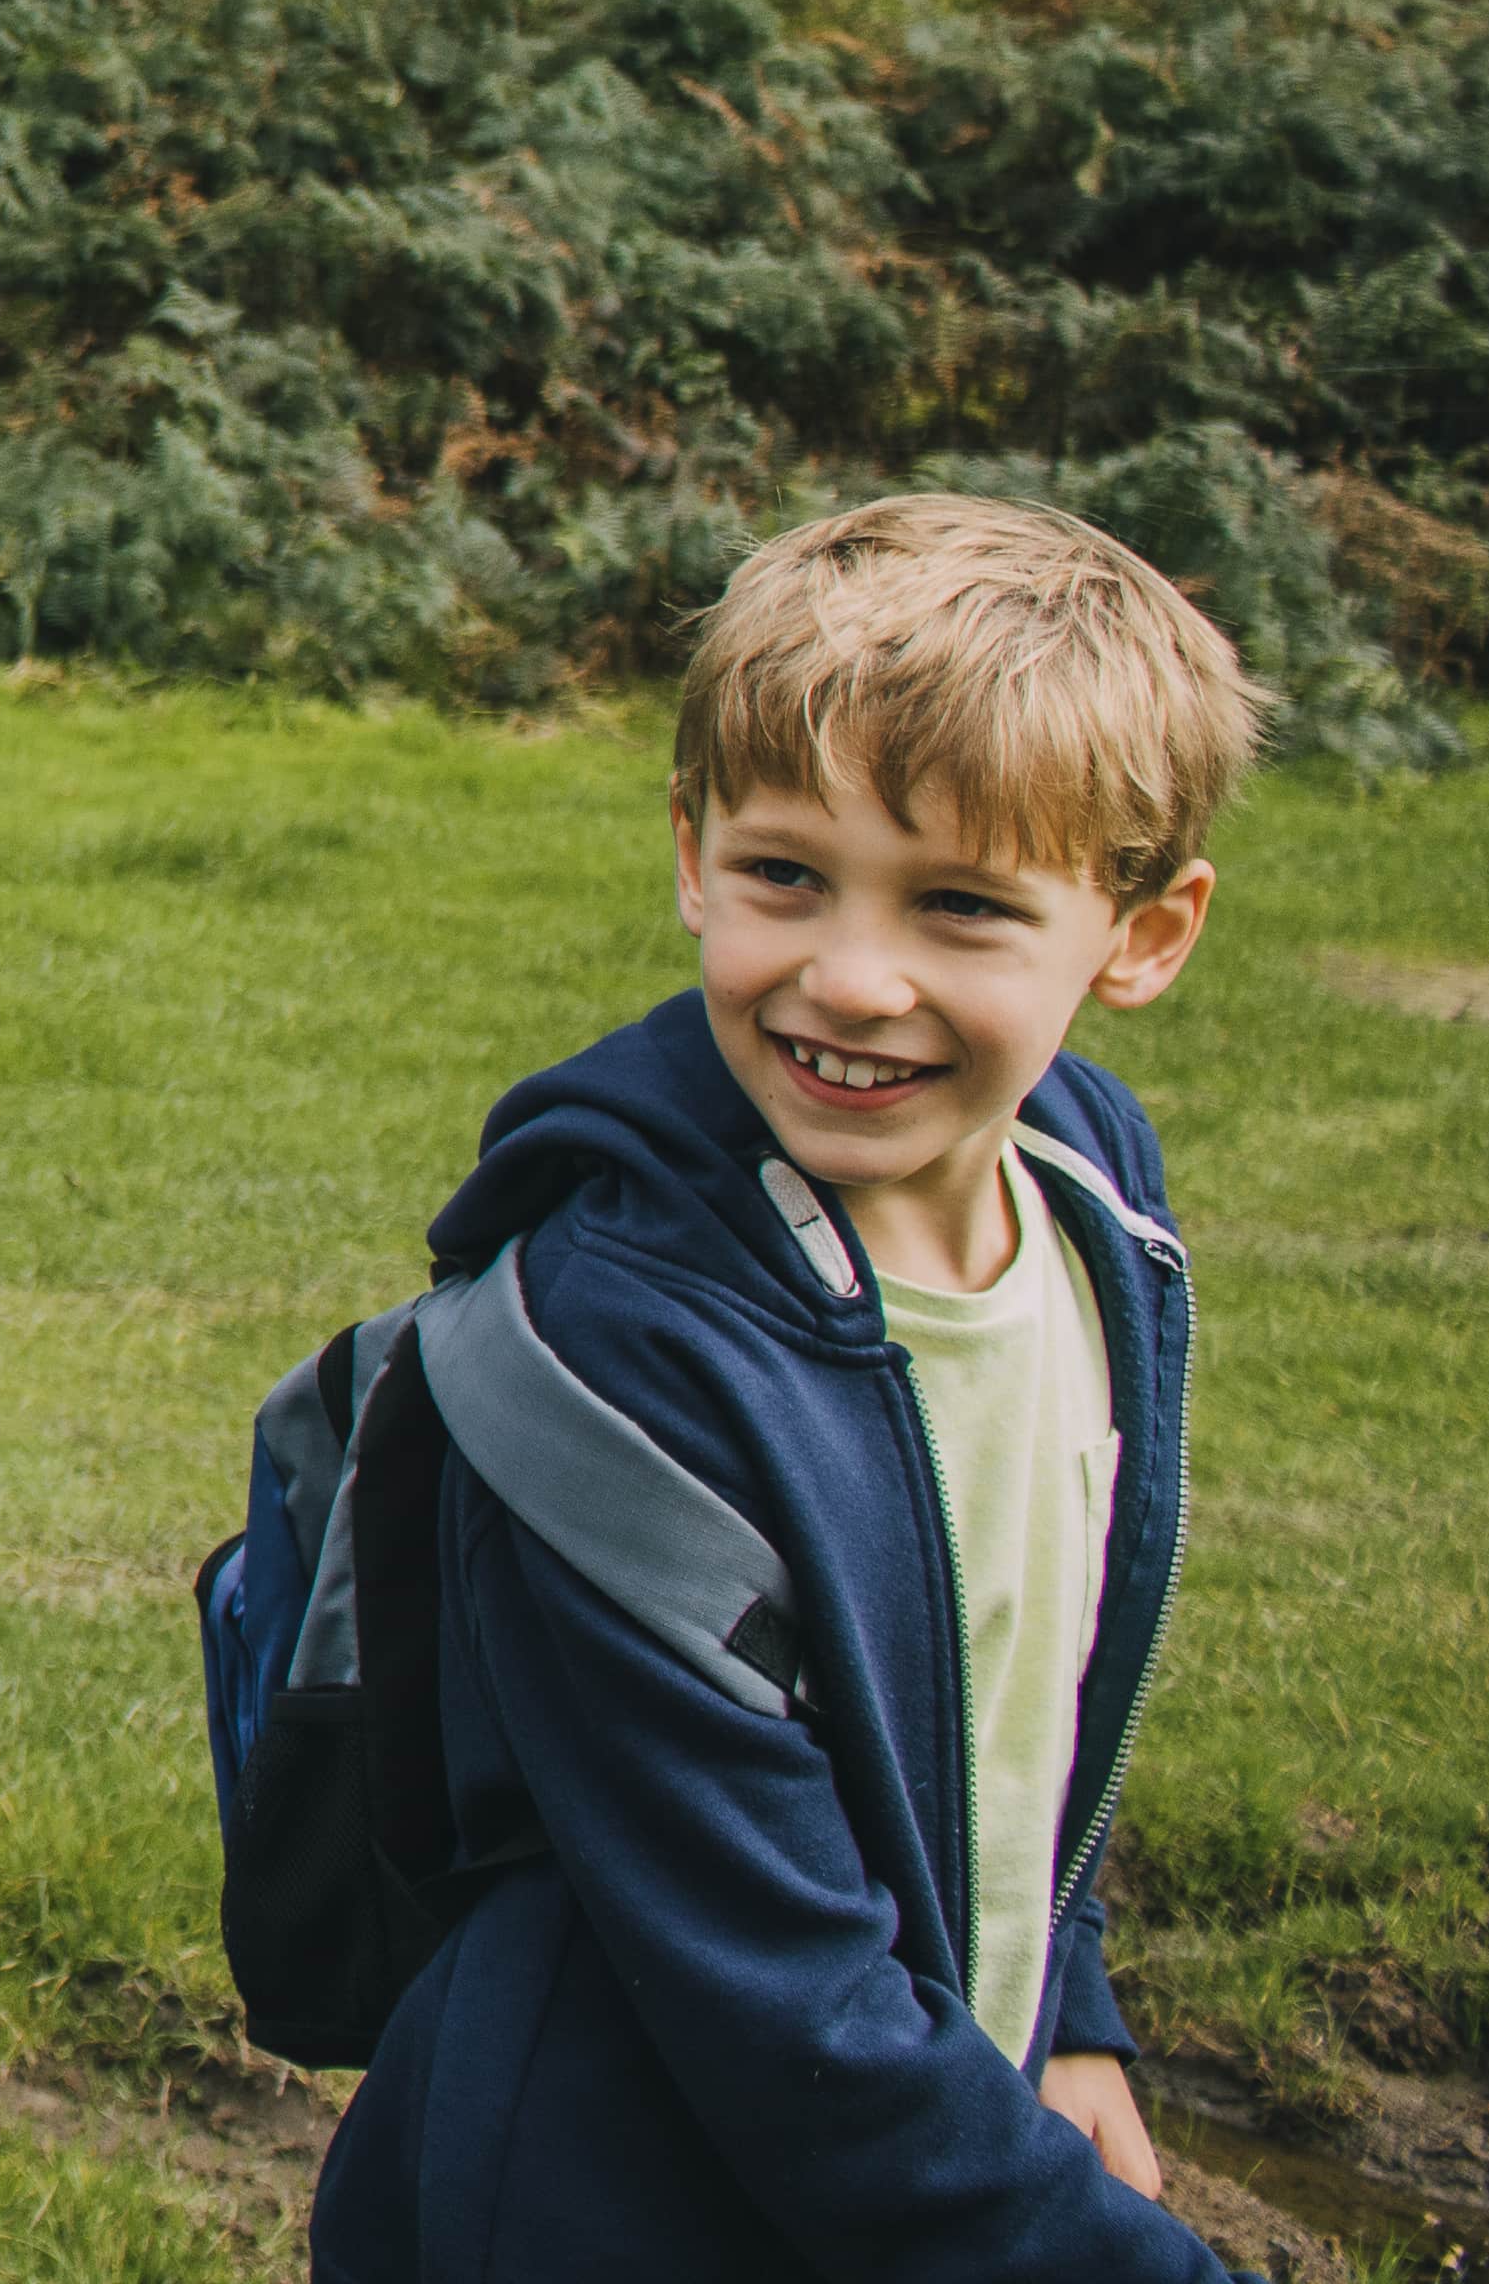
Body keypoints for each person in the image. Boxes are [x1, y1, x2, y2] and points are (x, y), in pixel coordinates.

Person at [309, 492, 1266, 2281]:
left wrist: (1064, 2004)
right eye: (784, 875)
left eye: (965, 906)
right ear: (691, 850)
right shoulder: (618, 1350)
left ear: (1144, 933)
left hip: (909, 2148)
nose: (850, 977)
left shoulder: (1089, 1198)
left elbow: (1011, 1696)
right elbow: (788, 2021)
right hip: (609, 2202)